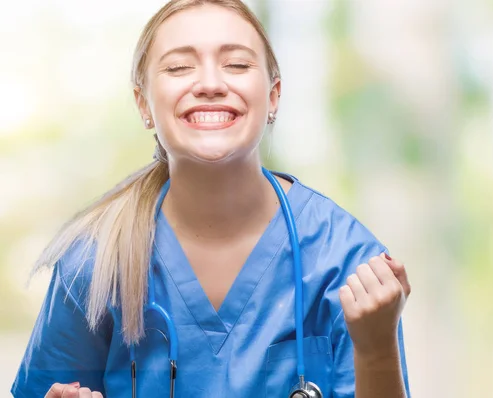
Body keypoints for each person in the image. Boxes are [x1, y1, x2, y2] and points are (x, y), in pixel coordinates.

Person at [11, 1, 412, 397]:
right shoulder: (96, 263)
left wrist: (377, 350)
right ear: (143, 103)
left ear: (273, 96)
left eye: (236, 64)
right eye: (179, 67)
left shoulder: (344, 260)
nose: (209, 83)